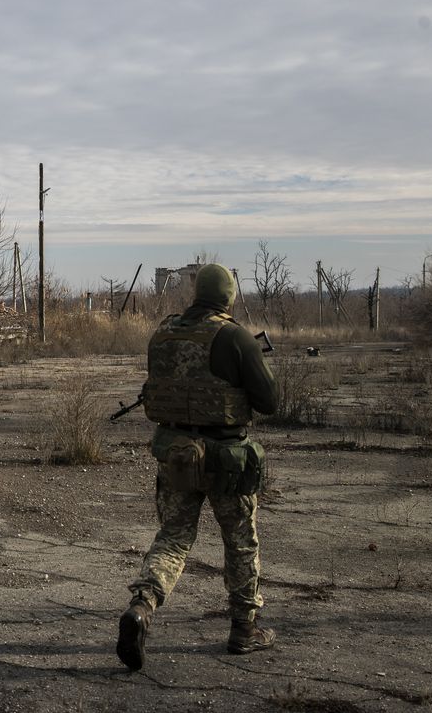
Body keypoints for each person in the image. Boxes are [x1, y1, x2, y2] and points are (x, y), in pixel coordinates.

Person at [117, 263, 278, 670]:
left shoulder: (164, 333)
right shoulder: (236, 336)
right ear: (228, 295)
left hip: (177, 455)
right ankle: (244, 629)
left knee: (172, 537)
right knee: (240, 543)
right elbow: (269, 402)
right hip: (226, 459)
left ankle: (142, 606)